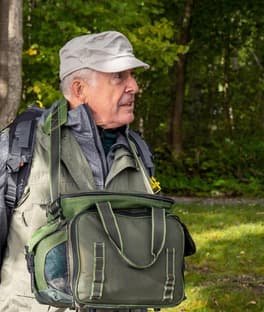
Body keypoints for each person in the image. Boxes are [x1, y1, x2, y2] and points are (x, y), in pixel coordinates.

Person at [0, 31, 154, 311]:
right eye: (119, 77)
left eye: (132, 76)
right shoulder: (20, 147)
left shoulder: (137, 152)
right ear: (80, 89)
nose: (134, 87)